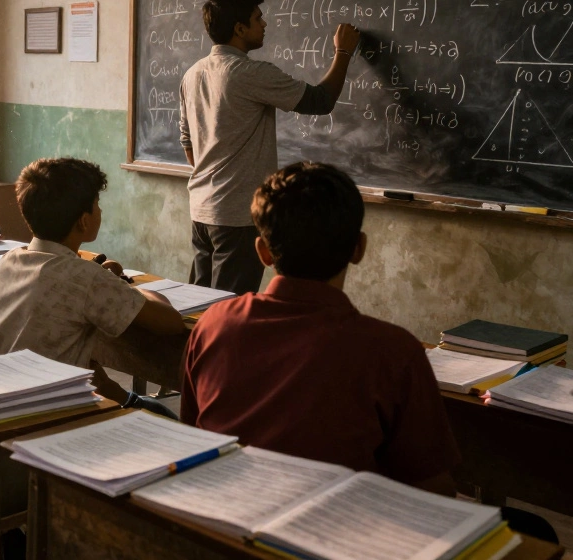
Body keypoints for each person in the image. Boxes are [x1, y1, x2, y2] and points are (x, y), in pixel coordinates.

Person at [179, 162, 461, 493]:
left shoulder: (214, 324)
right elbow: (432, 488)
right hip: (336, 533)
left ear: (263, 253)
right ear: (359, 249)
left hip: (221, 517)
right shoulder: (393, 351)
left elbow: (192, 436)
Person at [179, 0, 360, 293]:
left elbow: (187, 144)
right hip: (236, 216)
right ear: (239, 29)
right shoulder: (248, 72)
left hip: (201, 209)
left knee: (197, 306)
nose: (264, 24)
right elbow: (319, 101)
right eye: (257, 18)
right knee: (229, 311)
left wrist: (213, 179)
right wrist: (343, 53)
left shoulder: (193, 74)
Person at [0, 158, 183, 416]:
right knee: (165, 416)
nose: (100, 211)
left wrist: (101, 279)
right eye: (97, 205)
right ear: (83, 222)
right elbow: (171, 322)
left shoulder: (8, 261)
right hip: (44, 413)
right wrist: (127, 287)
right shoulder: (86, 278)